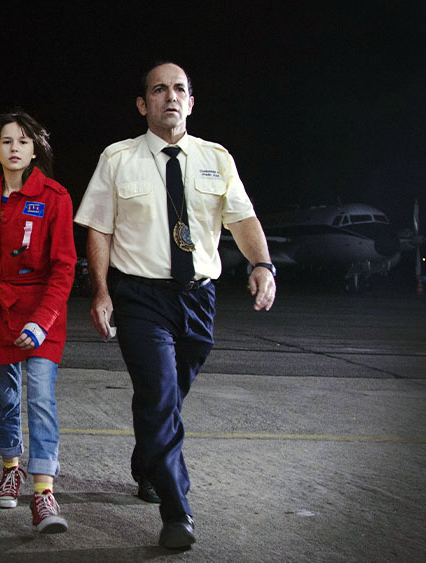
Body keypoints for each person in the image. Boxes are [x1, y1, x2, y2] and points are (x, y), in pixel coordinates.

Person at [74, 62, 277, 550]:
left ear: (190, 102)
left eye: (179, 89)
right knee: (161, 395)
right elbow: (98, 228)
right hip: (140, 296)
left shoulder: (216, 158)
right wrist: (101, 291)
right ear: (142, 104)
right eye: (159, 89)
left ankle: (147, 461)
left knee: (164, 397)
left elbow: (242, 219)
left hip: (198, 298)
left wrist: (263, 264)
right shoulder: (118, 158)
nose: (170, 96)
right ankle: (176, 509)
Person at [0, 111, 76, 533]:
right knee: (6, 398)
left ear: (36, 150)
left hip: (41, 313)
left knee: (40, 397)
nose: (14, 148)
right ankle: (10, 468)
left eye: (23, 141)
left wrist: (42, 321)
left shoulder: (55, 196)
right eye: (6, 141)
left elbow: (65, 268)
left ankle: (43, 492)